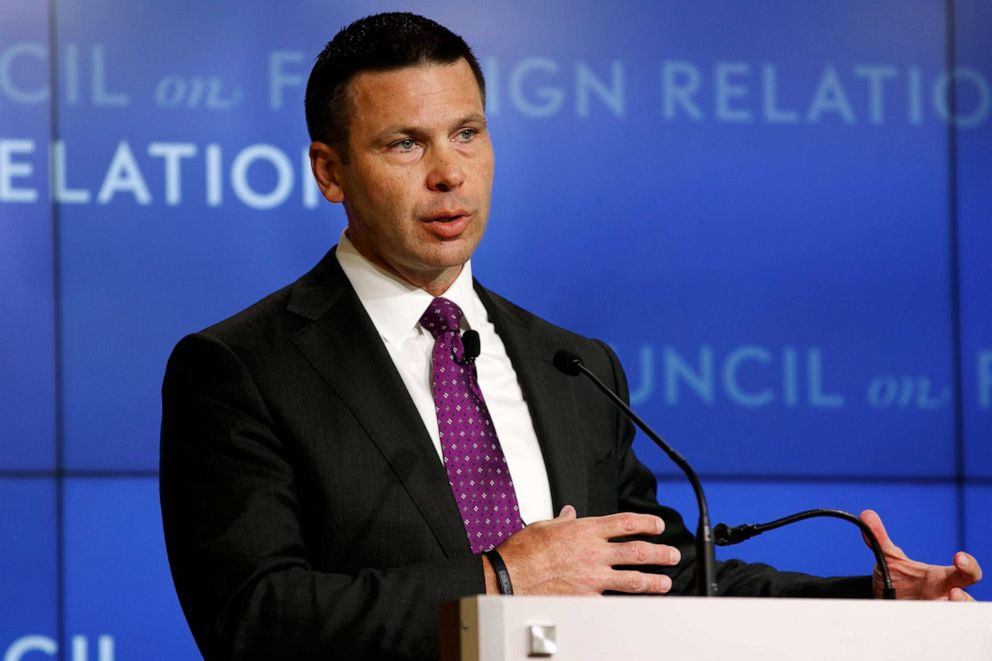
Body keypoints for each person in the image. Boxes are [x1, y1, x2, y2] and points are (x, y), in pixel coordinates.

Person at [159, 12, 982, 661]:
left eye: (467, 133)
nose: (448, 172)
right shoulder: (242, 368)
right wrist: (502, 578)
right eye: (404, 143)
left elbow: (660, 577)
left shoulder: (574, 365)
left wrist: (871, 601)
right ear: (331, 170)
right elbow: (253, 619)